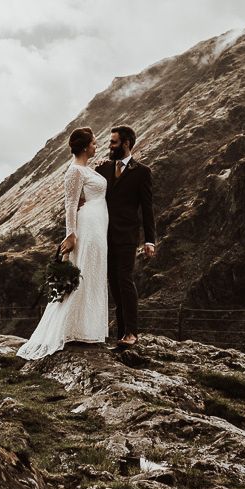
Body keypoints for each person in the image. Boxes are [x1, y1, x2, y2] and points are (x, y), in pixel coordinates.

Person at [17, 127, 109, 360]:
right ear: (86, 146)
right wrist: (71, 234)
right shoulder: (75, 172)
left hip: (99, 227)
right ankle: (70, 330)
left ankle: (88, 329)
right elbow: (69, 204)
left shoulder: (87, 170)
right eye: (94, 143)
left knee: (95, 272)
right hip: (87, 226)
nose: (96, 146)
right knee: (84, 272)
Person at [95, 125, 156, 350]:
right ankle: (121, 336)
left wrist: (150, 240)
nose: (109, 146)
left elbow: (147, 209)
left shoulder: (142, 172)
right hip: (103, 236)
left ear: (126, 144)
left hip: (127, 237)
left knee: (124, 279)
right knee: (114, 285)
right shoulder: (103, 169)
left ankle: (132, 332)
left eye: (113, 142)